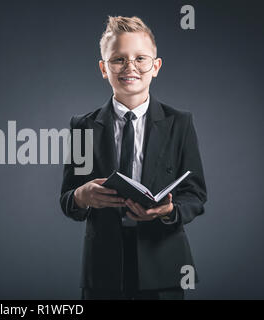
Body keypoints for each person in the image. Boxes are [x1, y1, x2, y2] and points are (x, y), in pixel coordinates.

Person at [59, 16, 207, 300]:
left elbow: (196, 194)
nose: (130, 67)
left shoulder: (180, 122)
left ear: (156, 66)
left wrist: (169, 211)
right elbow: (67, 198)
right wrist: (81, 195)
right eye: (118, 60)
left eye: (140, 58)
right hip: (103, 270)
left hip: (163, 266)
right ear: (104, 68)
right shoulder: (83, 126)